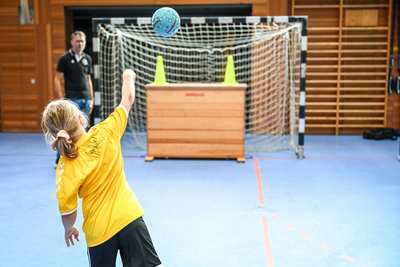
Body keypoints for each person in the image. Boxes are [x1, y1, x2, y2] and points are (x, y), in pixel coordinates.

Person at [42, 69, 162, 267]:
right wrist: (128, 76)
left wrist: (69, 228)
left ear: (55, 135)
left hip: (99, 231)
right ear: (81, 119)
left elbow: (68, 212)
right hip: (129, 217)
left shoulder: (65, 166)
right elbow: (128, 99)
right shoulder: (106, 131)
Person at [53, 30, 94, 167]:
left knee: (84, 129)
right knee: (67, 130)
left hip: (86, 99)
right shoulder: (64, 58)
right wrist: (61, 100)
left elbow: (89, 80)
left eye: (82, 41)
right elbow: (57, 79)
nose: (80, 43)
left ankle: (84, 157)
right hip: (71, 100)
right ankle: (59, 159)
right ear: (71, 42)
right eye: (77, 41)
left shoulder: (87, 58)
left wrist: (92, 98)